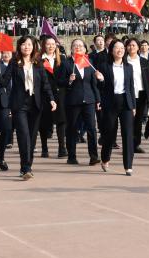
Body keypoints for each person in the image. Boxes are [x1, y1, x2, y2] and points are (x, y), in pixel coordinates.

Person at [0, 35, 55, 179]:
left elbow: (45, 84)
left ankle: (28, 165)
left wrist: (52, 100)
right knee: (23, 135)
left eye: (29, 44)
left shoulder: (39, 63)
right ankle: (26, 168)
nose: (26, 47)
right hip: (19, 105)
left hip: (35, 104)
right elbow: (4, 82)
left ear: (33, 47)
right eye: (23, 44)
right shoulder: (14, 62)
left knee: (32, 137)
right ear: (19, 46)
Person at [58, 38, 102, 166]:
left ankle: (94, 156)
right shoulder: (66, 64)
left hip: (89, 100)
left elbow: (94, 84)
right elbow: (59, 82)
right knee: (72, 129)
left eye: (81, 46)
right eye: (75, 45)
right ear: (71, 49)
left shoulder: (89, 62)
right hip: (73, 101)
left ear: (85, 49)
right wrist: (69, 80)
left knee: (91, 129)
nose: (78, 47)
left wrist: (98, 99)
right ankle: (71, 156)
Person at [95, 40, 137, 175]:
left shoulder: (128, 67)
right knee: (109, 133)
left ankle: (128, 165)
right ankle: (105, 158)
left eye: (122, 48)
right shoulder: (104, 66)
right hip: (110, 103)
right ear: (111, 50)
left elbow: (131, 87)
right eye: (116, 48)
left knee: (128, 134)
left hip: (126, 103)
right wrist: (100, 80)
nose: (120, 50)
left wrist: (133, 106)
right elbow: (100, 88)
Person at [37, 36, 67, 159]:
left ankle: (62, 148)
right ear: (44, 45)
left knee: (61, 121)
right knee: (44, 122)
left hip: (60, 94)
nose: (51, 46)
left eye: (53, 44)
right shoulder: (39, 59)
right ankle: (44, 148)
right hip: (44, 95)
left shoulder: (63, 58)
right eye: (48, 44)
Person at [125, 38, 149, 155]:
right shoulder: (123, 61)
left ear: (138, 47)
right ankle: (128, 145)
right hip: (127, 94)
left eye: (134, 45)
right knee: (128, 120)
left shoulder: (144, 62)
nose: (131, 47)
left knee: (138, 121)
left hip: (141, 94)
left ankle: (136, 144)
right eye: (129, 45)